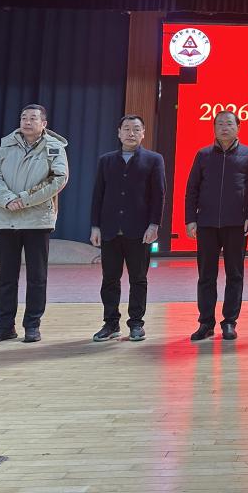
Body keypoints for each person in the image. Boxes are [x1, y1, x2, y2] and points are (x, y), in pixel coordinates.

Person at [0, 104, 69, 344]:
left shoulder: (54, 146)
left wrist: (25, 199)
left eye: (33, 118)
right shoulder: (6, 144)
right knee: (6, 278)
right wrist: (8, 199)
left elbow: (59, 178)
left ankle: (32, 325)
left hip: (37, 220)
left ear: (44, 124)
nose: (27, 122)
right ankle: (4, 327)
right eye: (23, 117)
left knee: (36, 277)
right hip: (7, 218)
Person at [185, 110, 248, 342]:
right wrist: (190, 219)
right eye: (219, 124)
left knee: (235, 274)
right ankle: (205, 323)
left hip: (236, 224)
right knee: (206, 275)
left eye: (229, 124)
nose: (224, 128)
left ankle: (229, 322)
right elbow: (192, 189)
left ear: (238, 127)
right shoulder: (203, 155)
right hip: (207, 223)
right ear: (214, 128)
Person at [89, 114, 166, 343]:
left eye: (136, 129)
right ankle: (111, 323)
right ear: (119, 133)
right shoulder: (106, 160)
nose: (131, 133)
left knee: (138, 279)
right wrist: (95, 226)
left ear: (143, 133)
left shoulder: (154, 160)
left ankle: (136, 324)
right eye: (126, 129)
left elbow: (159, 195)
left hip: (139, 230)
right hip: (110, 229)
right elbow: (98, 195)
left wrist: (154, 224)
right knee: (109, 279)